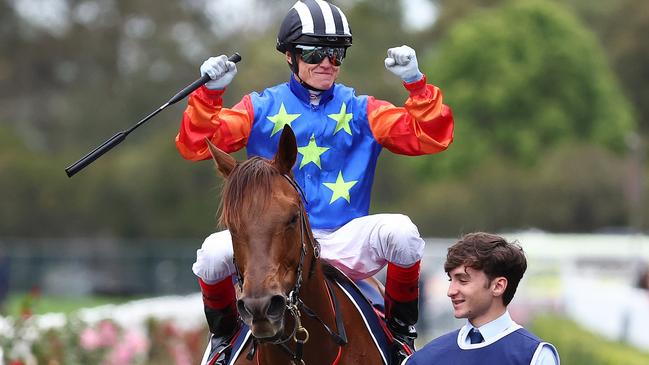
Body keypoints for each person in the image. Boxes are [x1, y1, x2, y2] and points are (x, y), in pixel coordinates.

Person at [176, 1, 454, 363]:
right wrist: (209, 94)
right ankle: (223, 341)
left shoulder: (363, 109)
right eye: (315, 52)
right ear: (290, 56)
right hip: (274, 241)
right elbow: (197, 145)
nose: (326, 62)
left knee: (402, 232)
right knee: (212, 256)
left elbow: (431, 136)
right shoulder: (257, 107)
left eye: (336, 54)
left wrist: (416, 84)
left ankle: (402, 337)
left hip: (345, 238)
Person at [404, 232, 560, 365]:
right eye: (451, 280)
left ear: (498, 286)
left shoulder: (534, 356)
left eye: (463, 280)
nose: (451, 291)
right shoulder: (425, 358)